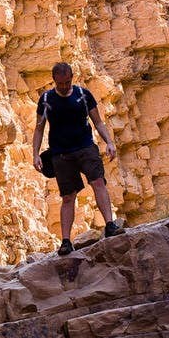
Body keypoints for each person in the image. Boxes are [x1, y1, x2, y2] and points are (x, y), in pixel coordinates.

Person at [32, 61, 124, 255]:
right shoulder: (47, 99)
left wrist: (109, 142)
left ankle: (110, 225)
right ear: (54, 80)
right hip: (61, 154)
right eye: (60, 83)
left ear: (72, 78)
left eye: (67, 82)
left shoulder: (83, 95)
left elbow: (97, 121)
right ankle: (66, 241)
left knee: (98, 182)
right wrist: (35, 154)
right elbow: (39, 128)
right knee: (67, 197)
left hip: (85, 147)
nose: (64, 87)